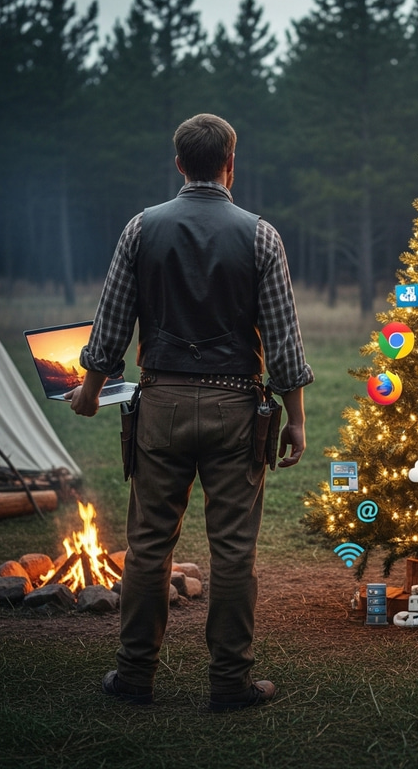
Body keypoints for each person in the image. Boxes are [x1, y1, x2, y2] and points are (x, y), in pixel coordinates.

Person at [67, 113, 313, 712]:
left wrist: (89, 388)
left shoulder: (139, 229)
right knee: (234, 551)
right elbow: (283, 340)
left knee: (149, 546)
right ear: (232, 162)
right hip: (237, 409)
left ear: (179, 163)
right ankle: (230, 682)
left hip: (162, 405)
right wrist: (298, 417)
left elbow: (112, 323)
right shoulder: (261, 235)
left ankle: (134, 677)